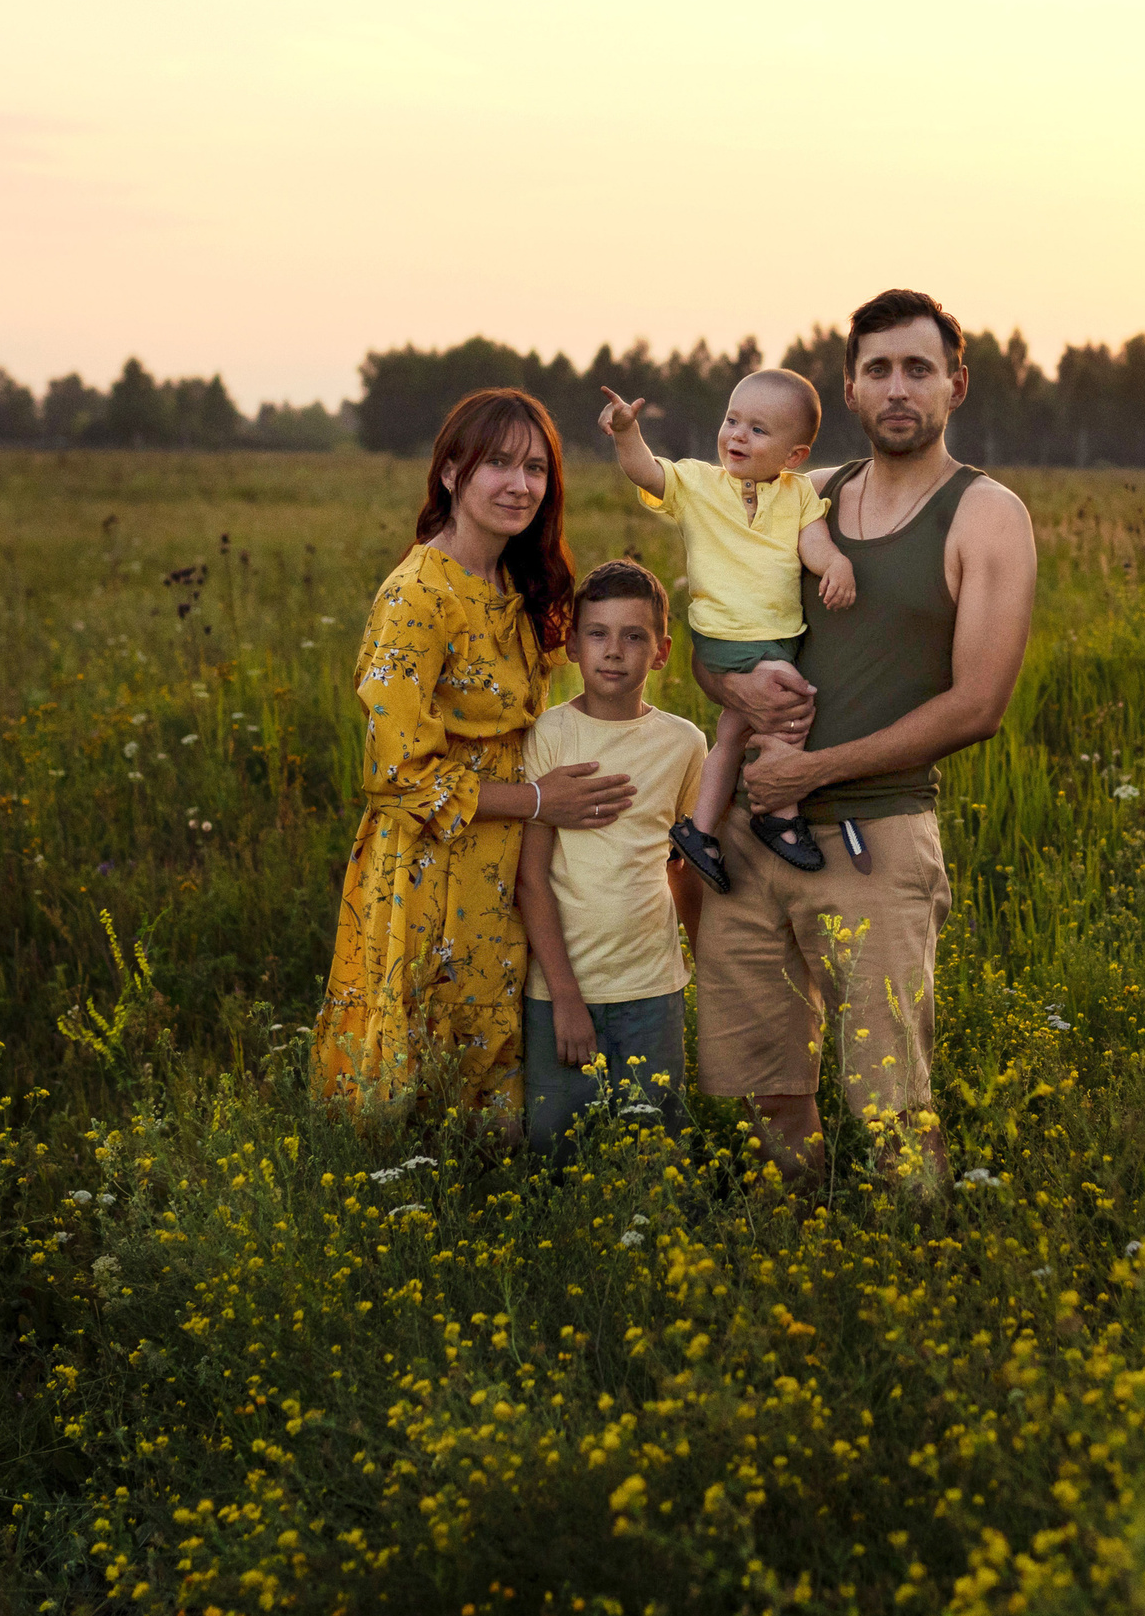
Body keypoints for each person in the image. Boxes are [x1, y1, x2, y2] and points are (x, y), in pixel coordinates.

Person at [691, 289, 1038, 1192]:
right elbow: (720, 645)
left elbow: (978, 704)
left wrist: (814, 769)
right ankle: (802, 1268)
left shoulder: (985, 514)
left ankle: (914, 1274)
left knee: (890, 1102)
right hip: (748, 838)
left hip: (874, 842)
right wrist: (734, 690)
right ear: (846, 388)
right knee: (768, 1092)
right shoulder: (801, 496)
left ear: (955, 385)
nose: (897, 388)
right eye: (877, 369)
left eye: (918, 369)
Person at [313, 388, 636, 1132]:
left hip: (510, 868)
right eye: (498, 463)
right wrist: (535, 804)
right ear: (453, 472)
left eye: (535, 467)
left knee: (497, 1078)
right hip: (431, 870)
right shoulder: (418, 594)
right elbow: (394, 773)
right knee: (426, 1077)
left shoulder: (515, 586)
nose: (520, 484)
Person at [598, 370, 856, 889]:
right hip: (726, 636)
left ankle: (701, 829)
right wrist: (628, 433)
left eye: (758, 430)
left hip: (775, 634)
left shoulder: (799, 494)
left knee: (734, 732)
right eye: (732, 420)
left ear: (793, 457)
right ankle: (780, 816)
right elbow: (646, 473)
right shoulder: (698, 483)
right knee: (793, 700)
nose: (737, 435)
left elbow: (813, 543)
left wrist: (837, 566)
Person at [515, 559, 709, 1161]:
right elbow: (532, 879)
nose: (614, 651)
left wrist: (703, 958)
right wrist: (567, 997)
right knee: (556, 1149)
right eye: (597, 633)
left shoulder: (683, 744)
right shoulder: (549, 734)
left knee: (657, 1147)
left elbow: (686, 865)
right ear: (572, 644)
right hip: (561, 995)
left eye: (634, 636)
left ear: (661, 652)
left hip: (652, 987)